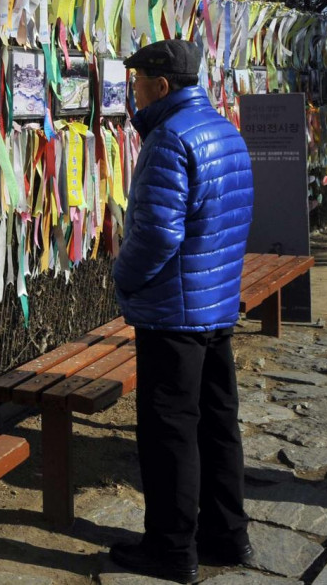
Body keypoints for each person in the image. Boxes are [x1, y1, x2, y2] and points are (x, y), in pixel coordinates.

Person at [108, 39, 254, 585]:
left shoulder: (169, 138)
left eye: (138, 82)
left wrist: (122, 275)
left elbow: (158, 233)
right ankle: (227, 534)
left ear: (161, 85)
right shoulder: (224, 131)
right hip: (214, 305)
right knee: (218, 424)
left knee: (170, 431)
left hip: (174, 311)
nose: (135, 92)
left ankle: (171, 548)